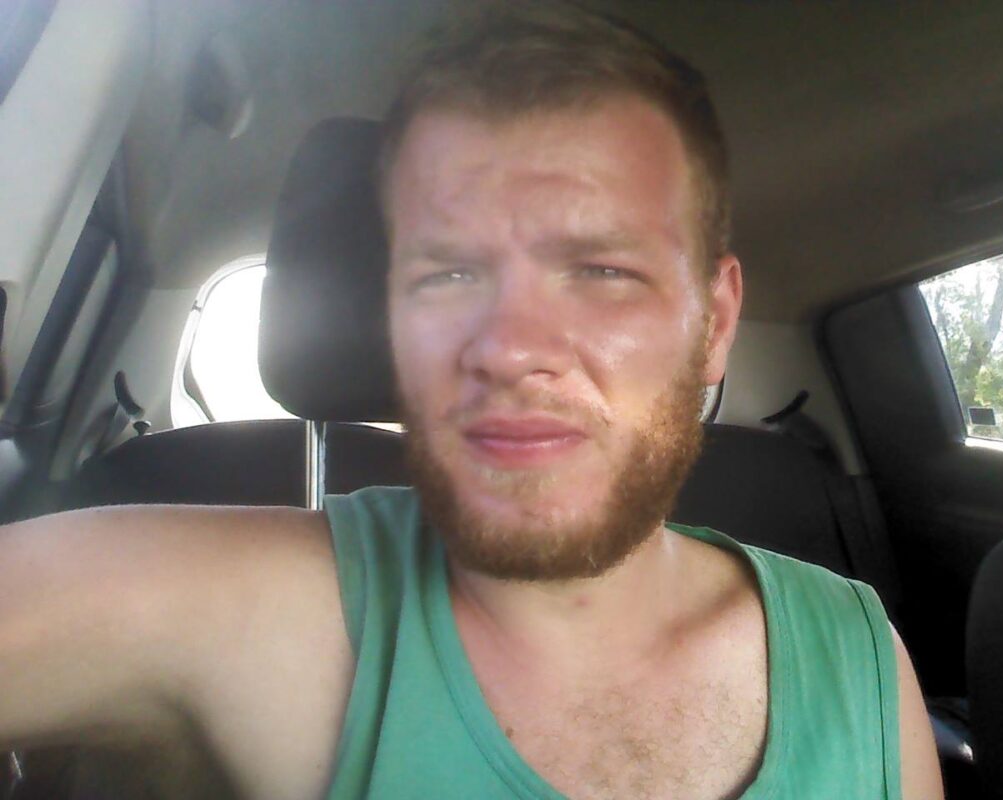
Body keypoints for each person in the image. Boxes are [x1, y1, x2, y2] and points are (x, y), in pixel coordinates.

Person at [0, 2, 942, 798]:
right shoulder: (246, 608)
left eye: (602, 270)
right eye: (447, 274)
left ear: (713, 322)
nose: (508, 347)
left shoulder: (857, 656)